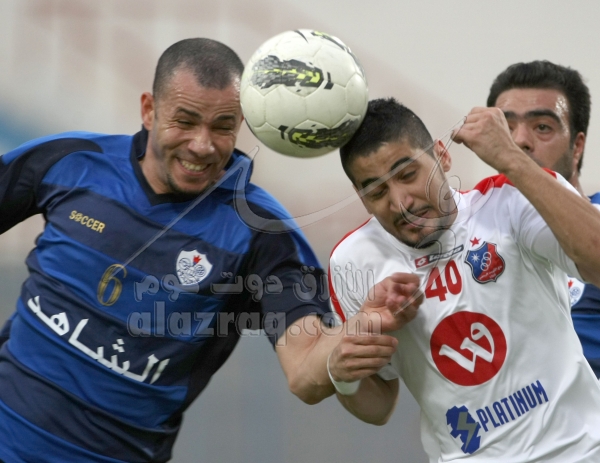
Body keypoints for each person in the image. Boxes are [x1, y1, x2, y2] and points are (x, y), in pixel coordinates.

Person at [0, 38, 415, 462]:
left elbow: (304, 365)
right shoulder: (71, 162)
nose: (202, 144)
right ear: (149, 110)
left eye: (222, 127)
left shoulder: (263, 233)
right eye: (185, 121)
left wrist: (347, 343)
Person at [326, 97, 600, 461]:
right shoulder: (353, 261)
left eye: (408, 175)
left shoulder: (509, 200)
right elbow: (378, 408)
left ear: (442, 155)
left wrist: (512, 158)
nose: (401, 202)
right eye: (376, 192)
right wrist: (342, 376)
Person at [486, 60, 600, 377]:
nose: (519, 142)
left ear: (577, 147)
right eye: (506, 129)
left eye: (542, 128)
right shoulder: (473, 244)